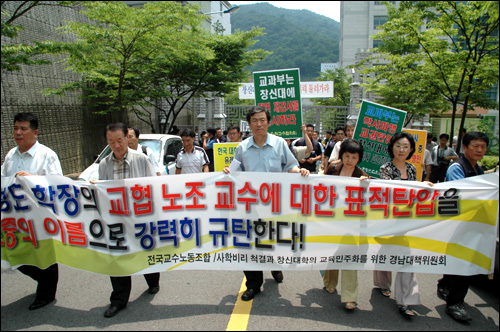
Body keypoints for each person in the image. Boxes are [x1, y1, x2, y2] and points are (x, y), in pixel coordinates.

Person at [223, 106, 309, 301]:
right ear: (249, 123)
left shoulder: (279, 144)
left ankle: (276, 266)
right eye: (255, 120)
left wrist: (300, 172)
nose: (259, 124)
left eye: (262, 120)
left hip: (276, 207)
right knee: (248, 245)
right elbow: (234, 172)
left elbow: (290, 166)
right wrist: (228, 172)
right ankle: (253, 284)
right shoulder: (242, 147)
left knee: (274, 243)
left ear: (268, 122)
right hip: (250, 207)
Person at [96, 122, 161, 318]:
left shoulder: (142, 160)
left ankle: (153, 280)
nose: (116, 145)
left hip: (140, 219)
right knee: (117, 259)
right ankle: (118, 300)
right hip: (116, 220)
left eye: (119, 140)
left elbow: (153, 189)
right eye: (111, 141)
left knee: (145, 255)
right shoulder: (104, 164)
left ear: (127, 138)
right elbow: (103, 191)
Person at [1, 112, 63, 311]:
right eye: (16, 128)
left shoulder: (46, 155)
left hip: (40, 217)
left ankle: (46, 294)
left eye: (23, 129)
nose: (18, 132)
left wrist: (33, 179)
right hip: (17, 218)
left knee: (43, 256)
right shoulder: (11, 155)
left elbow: (58, 185)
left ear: (35, 132)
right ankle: (46, 282)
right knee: (16, 255)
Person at [374, 131, 432, 317]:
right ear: (392, 148)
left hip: (407, 220)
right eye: (398, 145)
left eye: (406, 146)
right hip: (389, 219)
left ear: (411, 150)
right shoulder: (385, 168)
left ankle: (406, 299)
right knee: (385, 251)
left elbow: (415, 191)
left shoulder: (413, 168)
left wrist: (425, 187)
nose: (401, 149)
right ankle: (382, 284)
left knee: (407, 258)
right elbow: (391, 192)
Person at [438, 131, 489, 322]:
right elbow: (462, 194)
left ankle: (444, 285)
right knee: (462, 261)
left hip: (471, 223)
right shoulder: (457, 168)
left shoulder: (479, 169)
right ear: (465, 148)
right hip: (458, 222)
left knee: (458, 259)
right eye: (475, 146)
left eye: (483, 146)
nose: (479, 150)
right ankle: (454, 303)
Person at [323, 139, 369, 310]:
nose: (349, 160)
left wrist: (366, 184)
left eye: (354, 157)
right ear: (341, 155)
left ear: (359, 159)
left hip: (352, 223)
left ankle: (350, 296)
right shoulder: (333, 169)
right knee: (332, 252)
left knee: (349, 257)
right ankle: (330, 281)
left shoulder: (361, 176)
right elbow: (320, 187)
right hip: (332, 219)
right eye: (347, 156)